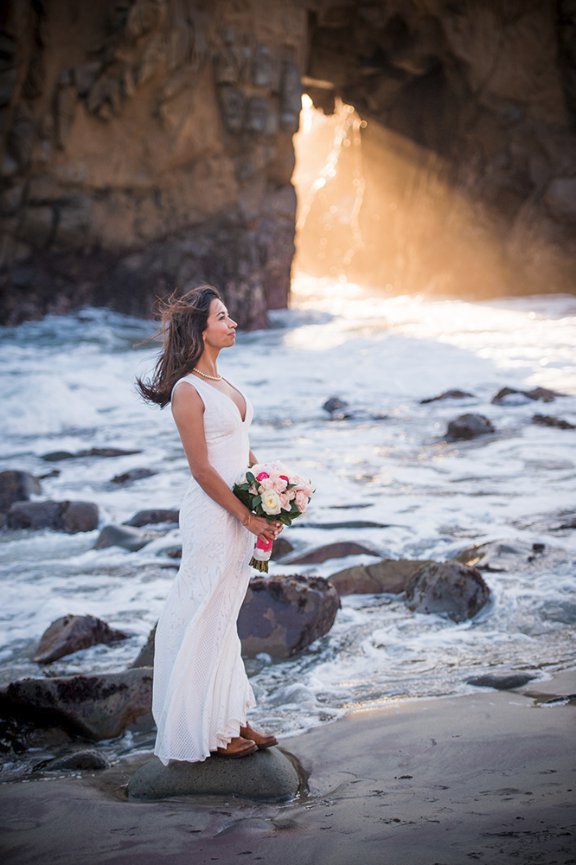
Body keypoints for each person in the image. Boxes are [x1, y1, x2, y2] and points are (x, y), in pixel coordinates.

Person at [137, 284, 281, 762]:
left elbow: (241, 450)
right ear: (201, 330)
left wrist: (274, 494)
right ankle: (198, 732)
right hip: (211, 515)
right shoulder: (187, 391)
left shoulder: (225, 385)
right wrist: (246, 515)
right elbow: (202, 470)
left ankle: (229, 717)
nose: (233, 322)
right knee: (203, 613)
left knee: (225, 616)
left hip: (239, 512)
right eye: (223, 317)